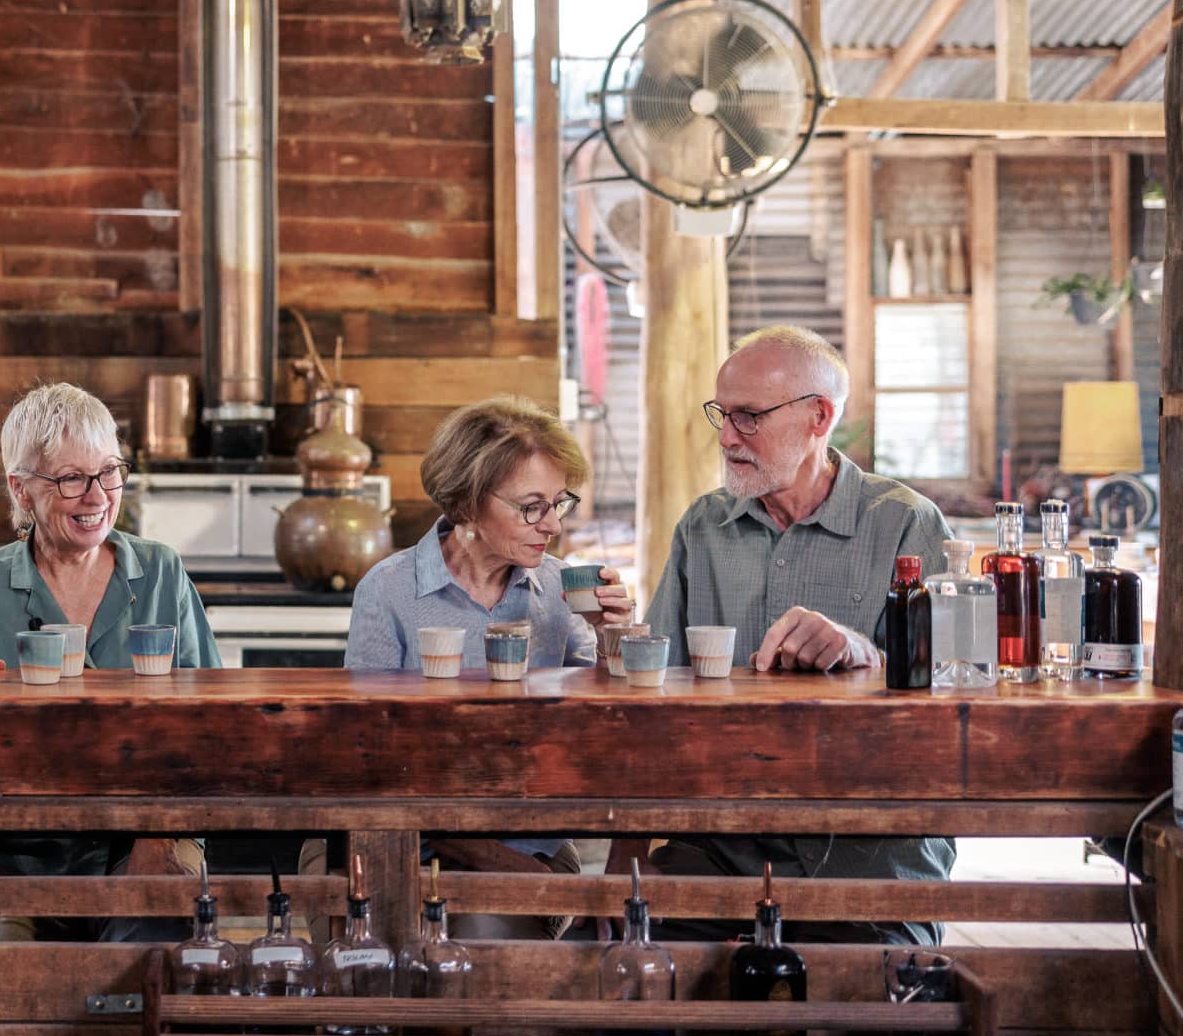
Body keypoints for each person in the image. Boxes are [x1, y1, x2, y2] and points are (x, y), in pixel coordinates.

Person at [633, 324, 956, 945]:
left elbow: (960, 699)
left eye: (749, 417)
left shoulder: (906, 523)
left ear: (819, 417)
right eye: (721, 415)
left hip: (871, 847)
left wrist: (868, 656)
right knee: (650, 974)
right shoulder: (702, 528)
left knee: (871, 996)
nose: (727, 437)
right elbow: (656, 695)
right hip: (721, 838)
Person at [0, 381, 220, 942]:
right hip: (11, 851)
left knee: (151, 959)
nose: (99, 496)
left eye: (109, 472)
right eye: (72, 479)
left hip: (142, 839)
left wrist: (165, 836)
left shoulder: (160, 573)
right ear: (21, 489)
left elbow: (210, 729)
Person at [344, 395, 631, 939]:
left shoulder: (556, 588)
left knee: (478, 935)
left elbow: (598, 736)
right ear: (470, 504)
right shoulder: (389, 589)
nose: (552, 526)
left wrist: (612, 637)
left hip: (531, 842)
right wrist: (478, 851)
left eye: (559, 503)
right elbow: (368, 755)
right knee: (400, 947)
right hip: (404, 838)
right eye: (531, 507)